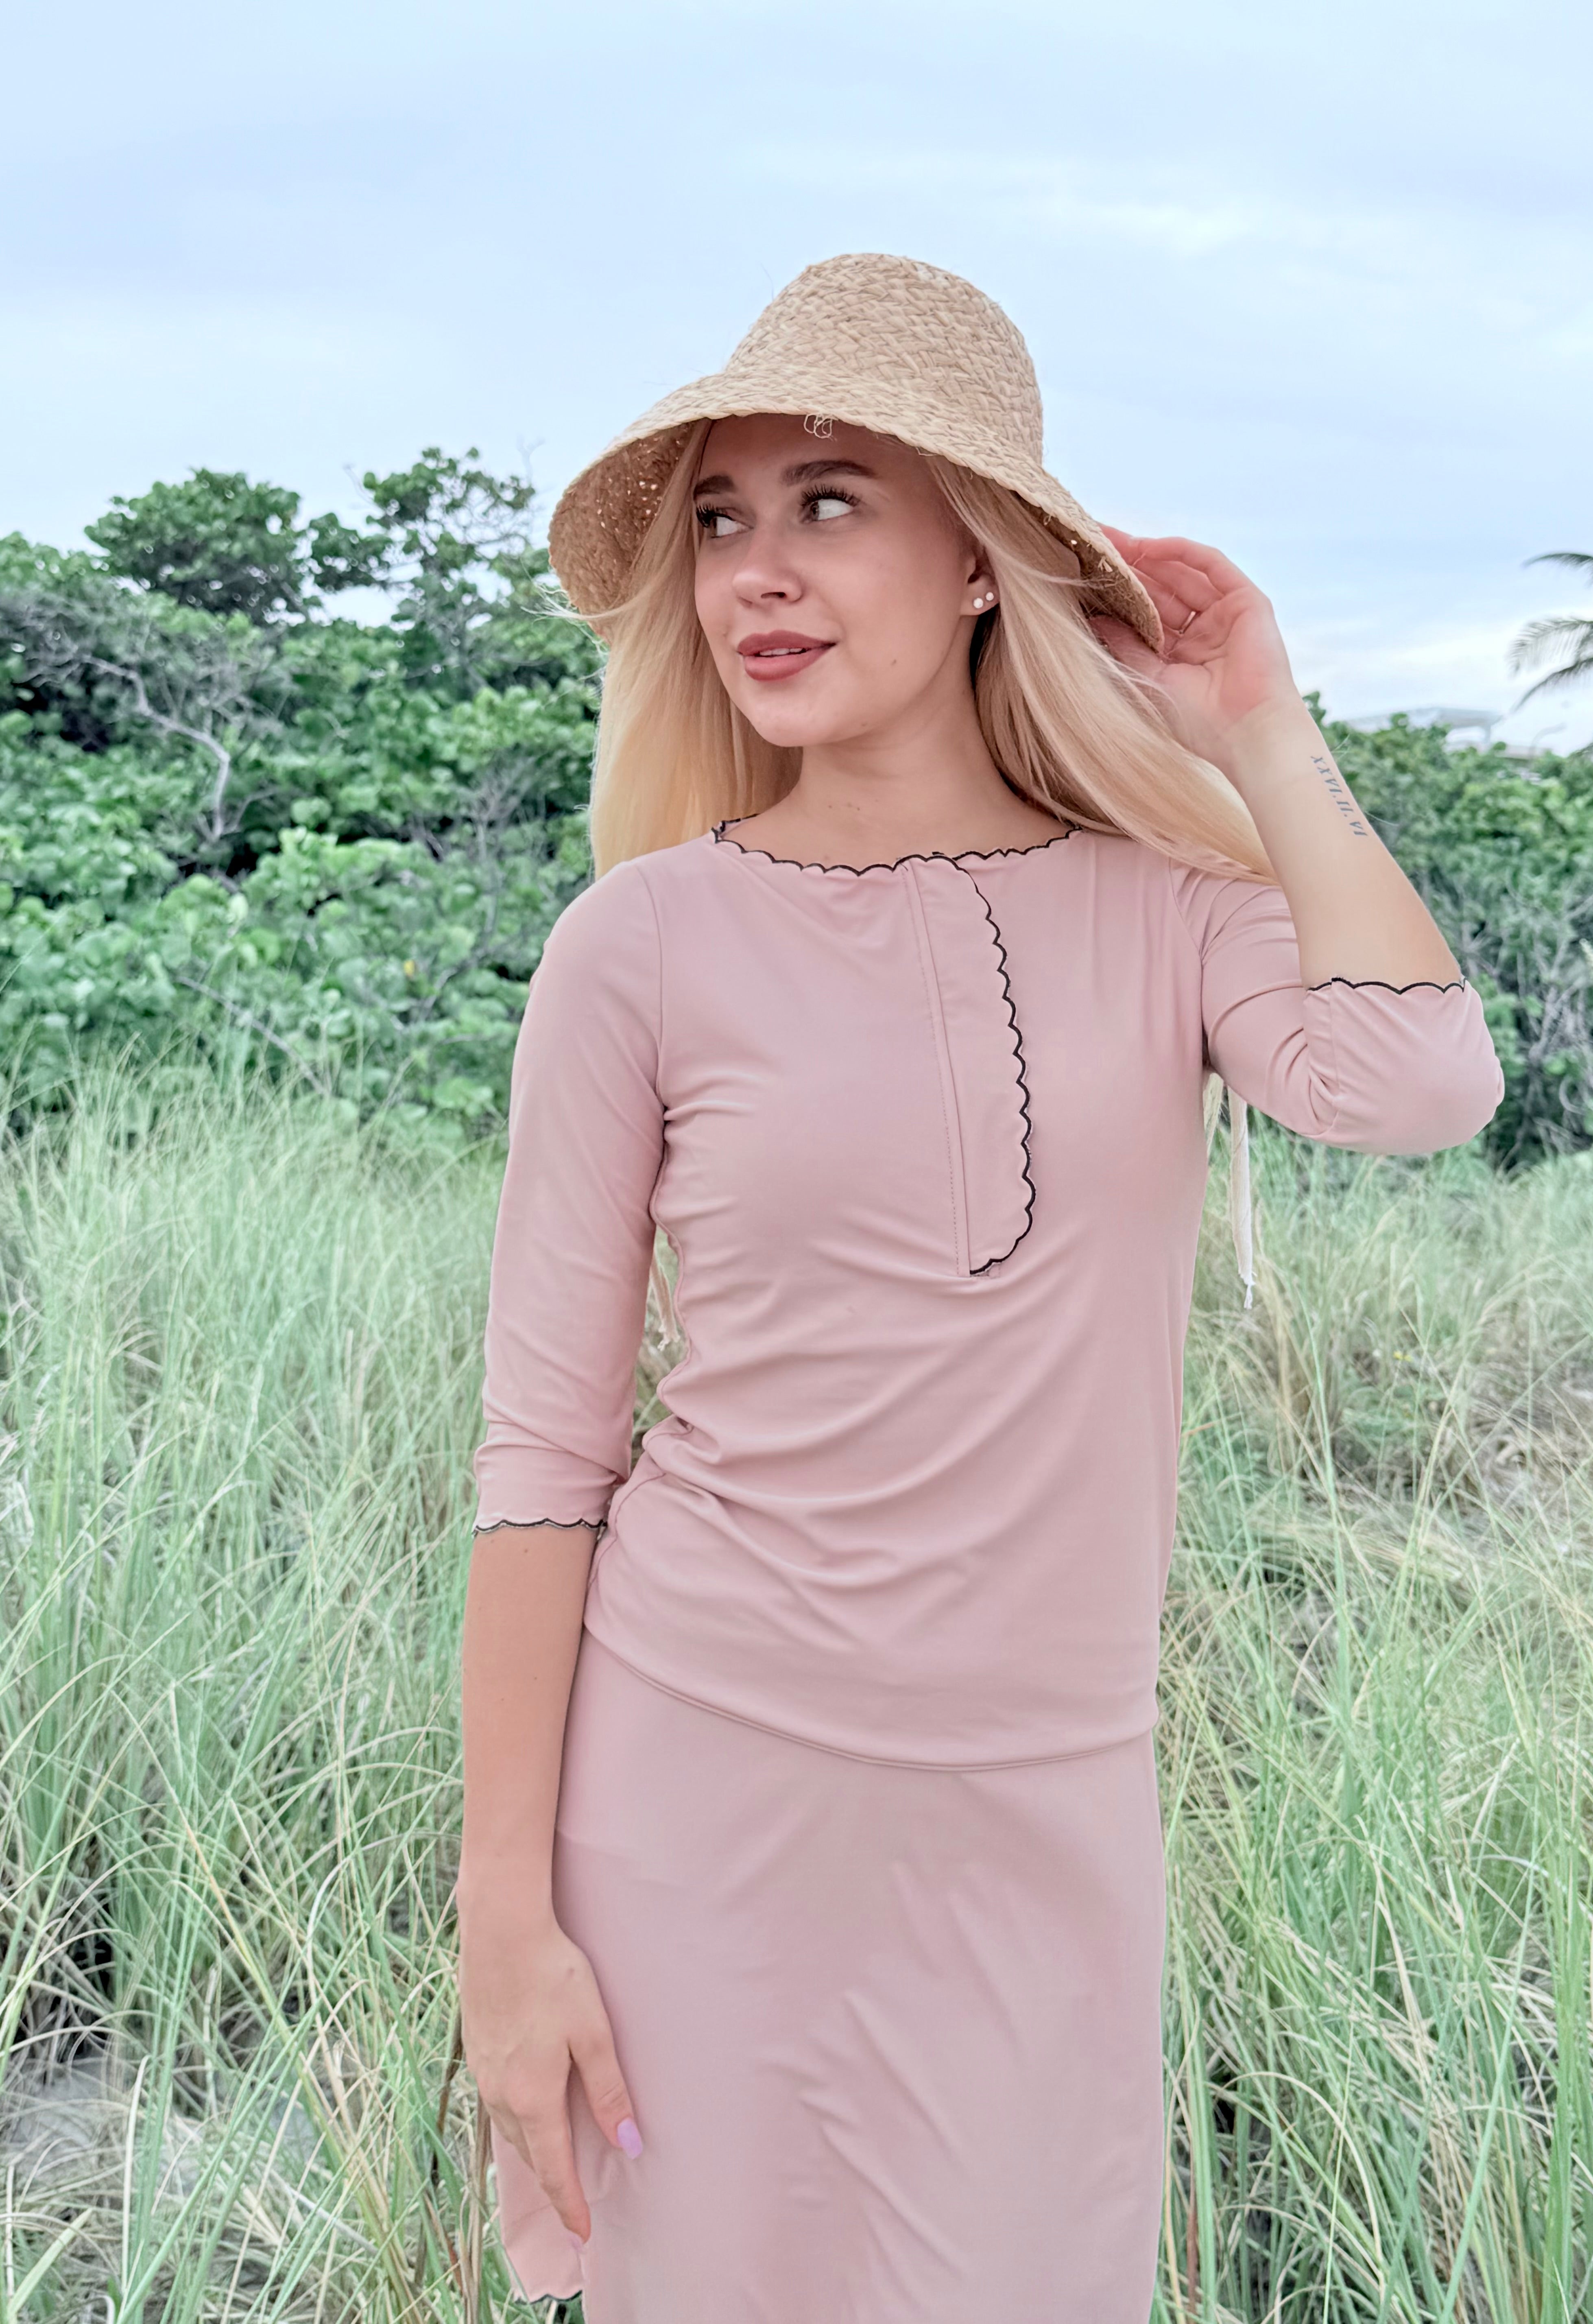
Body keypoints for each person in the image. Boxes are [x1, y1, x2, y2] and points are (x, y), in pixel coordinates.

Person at [455, 253, 1504, 2318]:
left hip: (1045, 1798)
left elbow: (1415, 1085)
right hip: (698, 1783)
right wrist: (506, 1914)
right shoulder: (640, 947)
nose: (757, 571)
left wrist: (1260, 728)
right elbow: (544, 1462)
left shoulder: (1176, 909)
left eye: (830, 501)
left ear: (979, 563)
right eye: (722, 520)